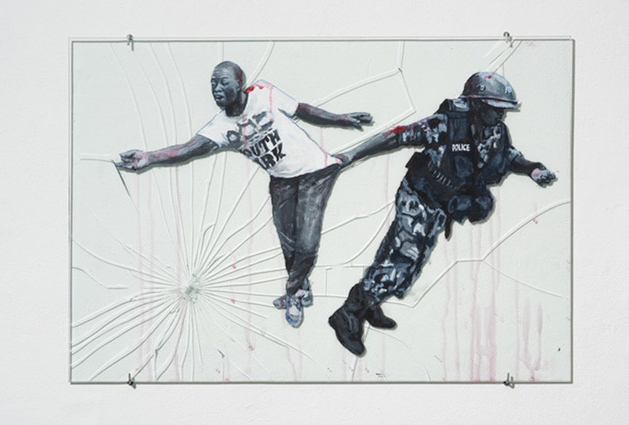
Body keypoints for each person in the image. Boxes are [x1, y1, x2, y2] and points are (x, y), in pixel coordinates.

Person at [116, 61, 372, 328]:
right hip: (281, 181)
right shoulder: (219, 127)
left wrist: (340, 119)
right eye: (212, 84)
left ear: (239, 84)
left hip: (314, 171)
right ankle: (299, 290)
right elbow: (188, 149)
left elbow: (302, 110)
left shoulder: (263, 92)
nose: (216, 89)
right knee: (289, 246)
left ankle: (292, 291)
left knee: (306, 246)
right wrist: (150, 157)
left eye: (223, 82)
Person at [329, 72, 556, 356]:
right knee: (404, 259)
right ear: (477, 104)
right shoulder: (446, 124)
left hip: (441, 206)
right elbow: (397, 136)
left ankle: (369, 302)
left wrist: (532, 168)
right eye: (495, 108)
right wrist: (351, 155)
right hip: (419, 197)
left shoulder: (496, 132)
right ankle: (348, 314)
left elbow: (508, 156)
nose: (501, 115)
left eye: (503, 110)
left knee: (403, 258)